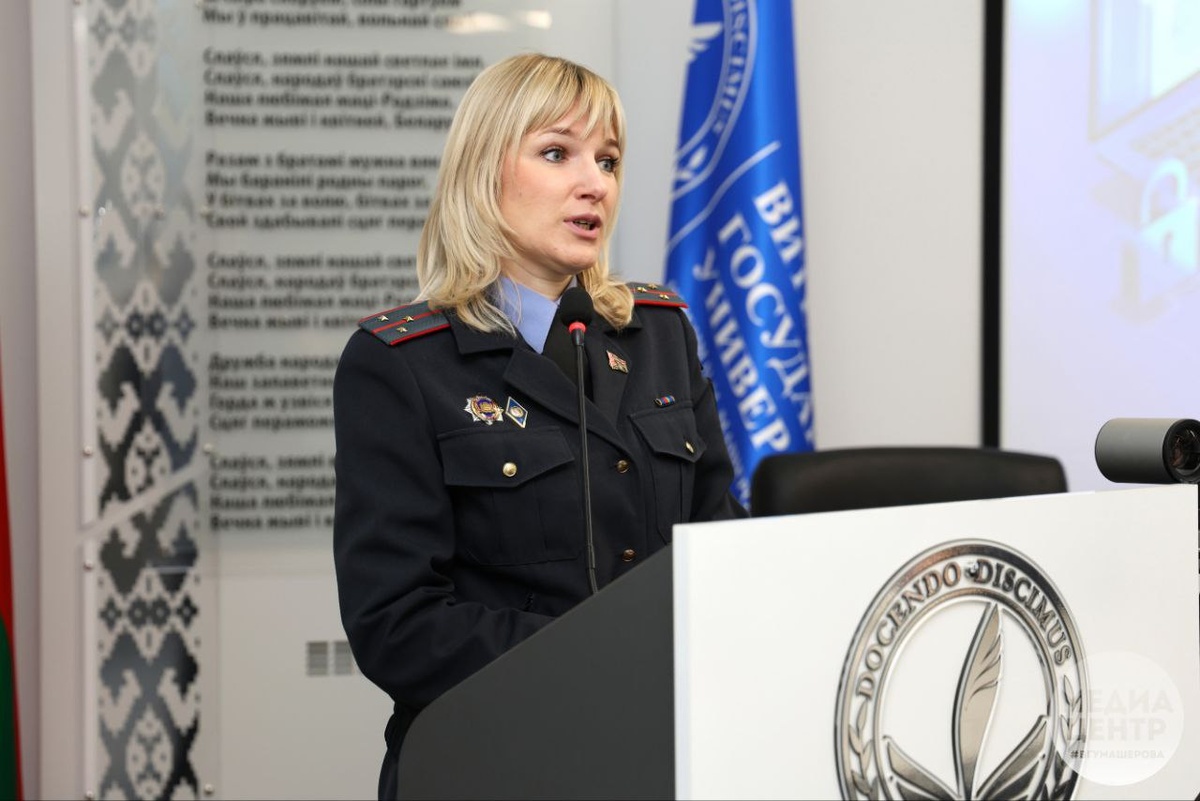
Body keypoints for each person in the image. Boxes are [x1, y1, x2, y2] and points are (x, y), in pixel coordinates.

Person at [332, 52, 746, 800]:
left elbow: (723, 547)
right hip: (495, 759)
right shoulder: (401, 364)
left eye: (608, 160)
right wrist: (601, 655)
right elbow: (396, 624)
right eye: (557, 153)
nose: (596, 184)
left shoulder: (659, 333)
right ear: (483, 171)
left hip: (659, 756)